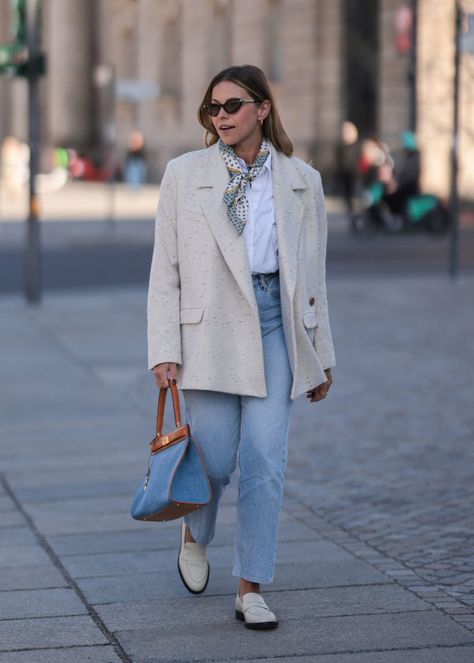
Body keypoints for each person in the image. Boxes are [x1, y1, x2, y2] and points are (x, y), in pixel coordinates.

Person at [148, 64, 335, 630]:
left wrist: (320, 353)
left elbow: (314, 276)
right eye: (214, 108)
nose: (221, 116)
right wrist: (164, 347)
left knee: (265, 460)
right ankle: (194, 529)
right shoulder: (185, 174)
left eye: (232, 105)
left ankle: (251, 585)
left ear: (263, 109)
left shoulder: (304, 181)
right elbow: (166, 270)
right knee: (215, 457)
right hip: (210, 328)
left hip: (276, 323)